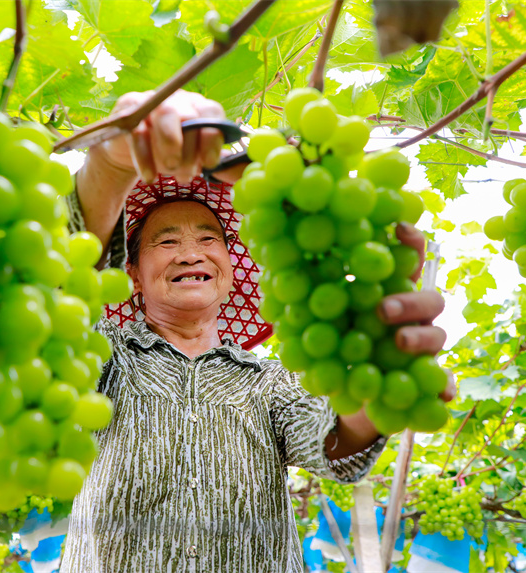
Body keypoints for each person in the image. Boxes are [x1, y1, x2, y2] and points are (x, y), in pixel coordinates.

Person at [58, 90, 452, 572]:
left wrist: (376, 375)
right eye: (166, 242)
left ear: (230, 270)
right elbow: (66, 290)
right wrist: (110, 167)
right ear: (134, 275)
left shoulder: (270, 382)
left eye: (209, 238)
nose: (191, 253)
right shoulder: (105, 356)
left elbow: (333, 442)